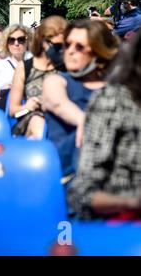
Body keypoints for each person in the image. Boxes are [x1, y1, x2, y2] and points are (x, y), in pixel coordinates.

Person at [67, 30, 141, 220]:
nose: (70, 51)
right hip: (127, 225)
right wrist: (133, 202)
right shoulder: (114, 100)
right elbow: (84, 191)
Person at [42, 20, 119, 182]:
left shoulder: (117, 87)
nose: (69, 51)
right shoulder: (56, 81)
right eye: (67, 45)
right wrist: (87, 122)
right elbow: (59, 104)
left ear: (99, 51)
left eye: (79, 47)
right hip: (67, 170)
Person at [9, 16, 68, 139]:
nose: (63, 50)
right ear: (43, 42)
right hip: (32, 119)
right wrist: (28, 106)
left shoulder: (66, 67)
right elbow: (12, 110)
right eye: (57, 46)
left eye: (65, 46)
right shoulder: (25, 68)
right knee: (39, 123)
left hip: (61, 119)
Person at [0, 25, 33, 109]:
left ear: (27, 42)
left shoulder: (36, 62)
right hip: (3, 109)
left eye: (21, 39)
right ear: (6, 43)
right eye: (11, 40)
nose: (16, 43)